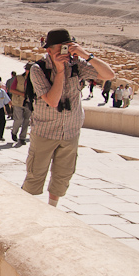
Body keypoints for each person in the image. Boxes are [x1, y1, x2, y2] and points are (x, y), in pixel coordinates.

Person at [22, 29, 115, 206]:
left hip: (70, 130)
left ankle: (53, 209)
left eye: (67, 47)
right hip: (45, 131)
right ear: (49, 50)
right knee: (35, 173)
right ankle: (28, 210)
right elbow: (52, 101)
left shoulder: (76, 65)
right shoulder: (38, 69)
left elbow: (109, 75)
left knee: (63, 175)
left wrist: (86, 55)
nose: (64, 52)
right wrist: (59, 71)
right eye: (60, 49)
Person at [9, 63, 34, 147]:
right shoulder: (19, 78)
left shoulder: (35, 79)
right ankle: (14, 132)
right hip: (18, 102)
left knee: (27, 120)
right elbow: (12, 89)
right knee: (19, 119)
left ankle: (22, 138)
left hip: (29, 102)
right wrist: (22, 94)